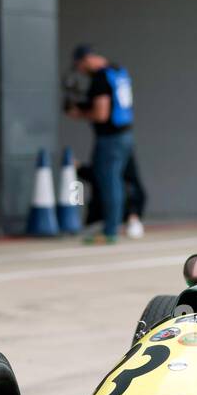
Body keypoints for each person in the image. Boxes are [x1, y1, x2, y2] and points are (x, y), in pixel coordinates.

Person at [66, 44, 135, 245]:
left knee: (109, 182)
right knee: (116, 181)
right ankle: (114, 225)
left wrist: (80, 113)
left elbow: (101, 113)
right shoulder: (118, 70)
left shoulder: (100, 77)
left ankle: (110, 230)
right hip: (125, 134)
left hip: (110, 138)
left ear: (85, 60)